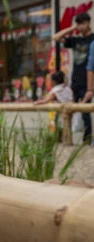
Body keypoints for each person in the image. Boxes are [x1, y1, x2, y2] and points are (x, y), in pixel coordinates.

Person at [53, 12, 94, 143]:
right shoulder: (75, 40)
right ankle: (66, 138)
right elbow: (56, 37)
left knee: (85, 112)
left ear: (89, 23)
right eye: (79, 24)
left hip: (87, 82)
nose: (81, 27)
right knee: (67, 110)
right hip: (74, 80)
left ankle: (87, 140)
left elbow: (91, 67)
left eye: (83, 23)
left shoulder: (92, 40)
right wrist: (72, 28)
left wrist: (91, 88)